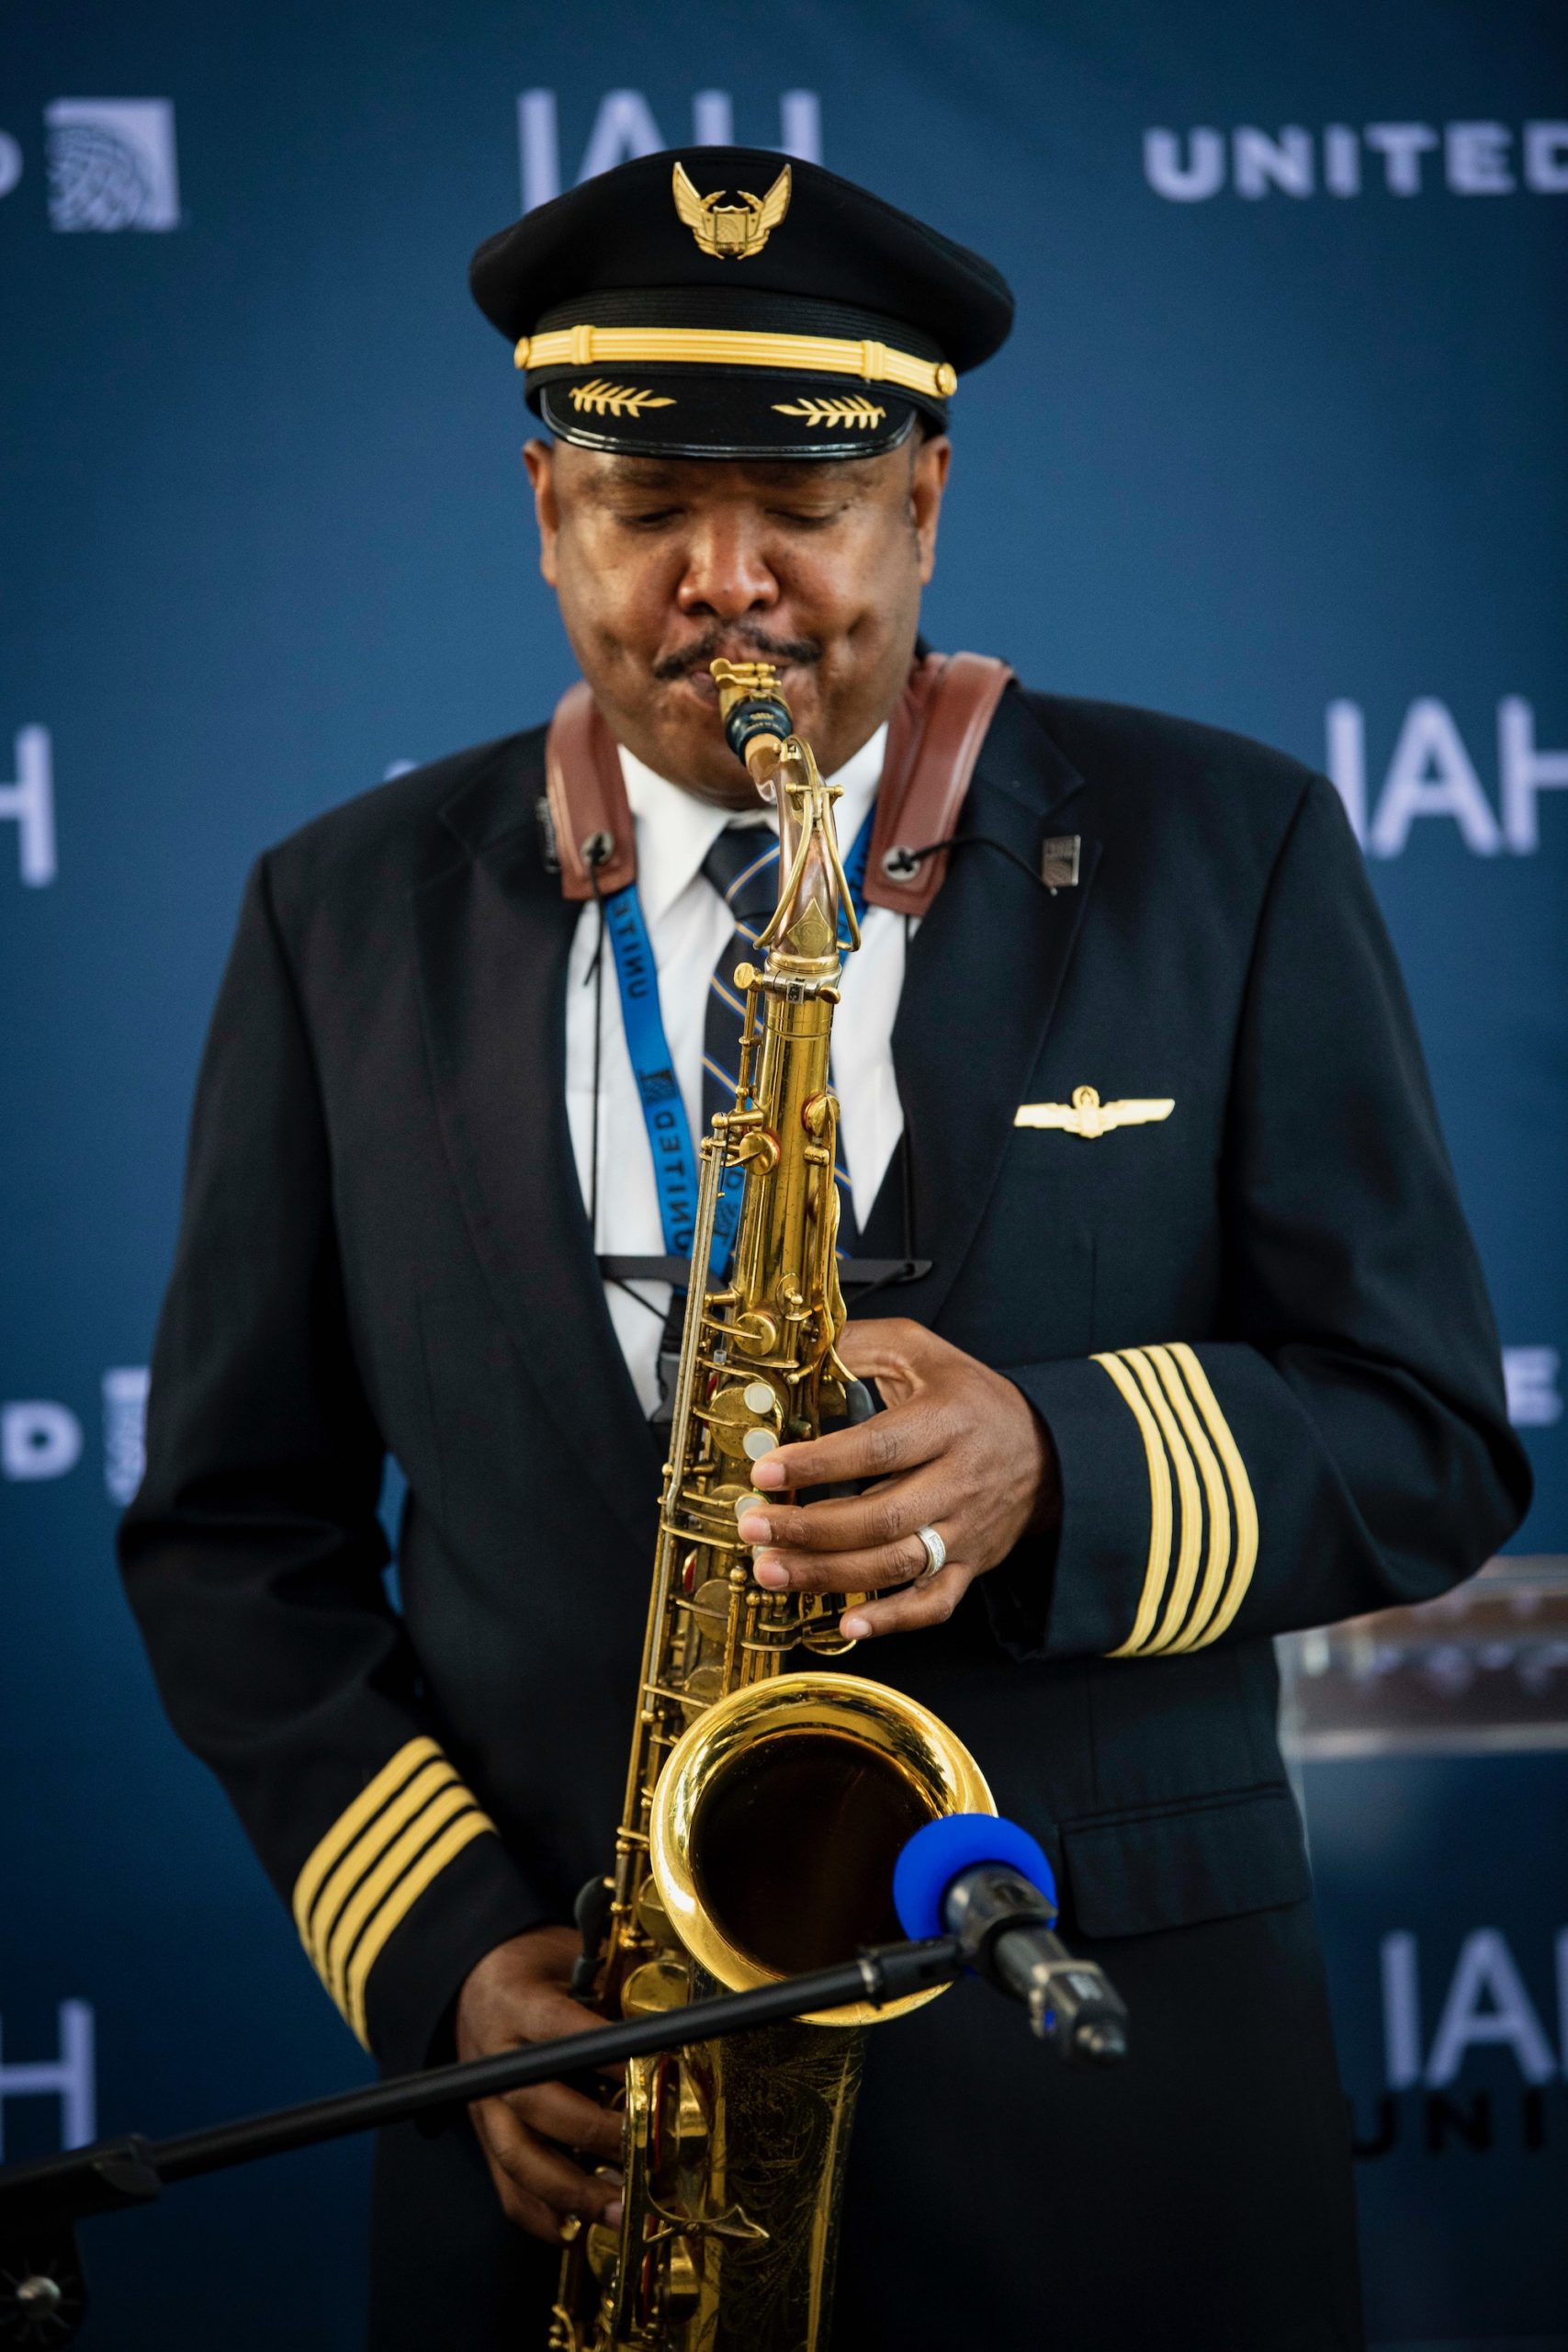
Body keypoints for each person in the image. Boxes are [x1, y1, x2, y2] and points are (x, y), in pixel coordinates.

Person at [118, 147, 1529, 2351]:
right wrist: (453, 1962)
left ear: (925, 505)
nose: (729, 584)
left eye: (807, 505)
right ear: (539, 507)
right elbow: (231, 1531)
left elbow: (1429, 1427)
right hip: (580, 2118)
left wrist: (1057, 1457)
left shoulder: (1220, 845)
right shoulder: (340, 915)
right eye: (645, 504)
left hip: (1117, 2146)